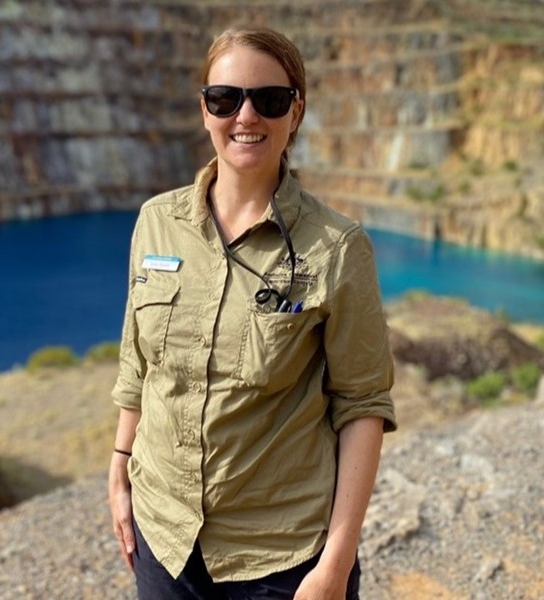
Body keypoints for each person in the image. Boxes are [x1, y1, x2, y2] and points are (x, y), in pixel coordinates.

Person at [108, 25, 396, 600]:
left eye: (270, 99)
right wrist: (119, 467)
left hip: (280, 557)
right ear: (205, 108)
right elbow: (137, 363)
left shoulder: (336, 247)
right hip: (163, 536)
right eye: (225, 98)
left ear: (296, 112)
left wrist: (334, 567)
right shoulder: (156, 223)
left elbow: (362, 405)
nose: (246, 115)